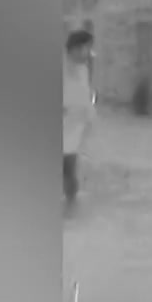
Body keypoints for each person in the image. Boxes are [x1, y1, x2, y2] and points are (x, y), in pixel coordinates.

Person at [63, 30, 96, 208]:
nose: (88, 53)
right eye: (86, 49)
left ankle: (70, 205)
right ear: (75, 48)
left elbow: (85, 96)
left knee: (69, 167)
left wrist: (90, 117)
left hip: (74, 128)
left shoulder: (83, 70)